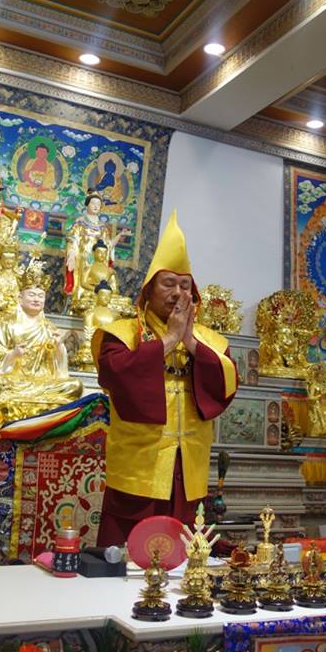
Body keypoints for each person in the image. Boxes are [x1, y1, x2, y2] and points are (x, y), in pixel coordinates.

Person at [92, 211, 237, 545]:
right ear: (148, 291)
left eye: (184, 286)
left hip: (188, 471)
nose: (177, 293)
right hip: (139, 471)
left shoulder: (211, 342)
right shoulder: (121, 334)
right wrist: (169, 339)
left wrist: (190, 342)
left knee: (185, 559)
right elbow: (116, 375)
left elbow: (226, 386)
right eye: (168, 284)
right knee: (126, 556)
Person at [0, 254, 83, 446]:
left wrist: (59, 347)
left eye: (40, 296)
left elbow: (58, 369)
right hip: (14, 380)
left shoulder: (49, 328)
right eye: (32, 295)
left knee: (74, 386)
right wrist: (12, 355)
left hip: (42, 382)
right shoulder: (7, 325)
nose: (36, 299)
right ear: (20, 298)